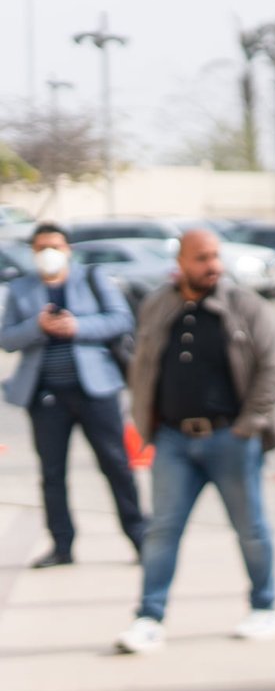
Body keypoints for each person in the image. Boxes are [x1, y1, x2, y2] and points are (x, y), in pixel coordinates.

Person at [112, 229, 275, 654]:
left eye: (215, 256)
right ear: (181, 263)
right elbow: (142, 365)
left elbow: (274, 368)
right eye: (202, 258)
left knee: (250, 529)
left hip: (231, 438)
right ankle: (149, 618)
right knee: (161, 531)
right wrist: (145, 422)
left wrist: (248, 425)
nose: (213, 266)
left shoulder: (244, 304)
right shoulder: (158, 304)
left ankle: (264, 607)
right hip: (173, 441)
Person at [0, 223, 146, 567]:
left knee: (116, 465)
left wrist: (77, 326)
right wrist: (37, 327)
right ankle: (61, 545)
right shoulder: (21, 289)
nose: (48, 253)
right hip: (46, 395)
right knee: (52, 474)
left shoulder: (92, 278)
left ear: (68, 249)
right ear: (32, 252)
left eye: (54, 246)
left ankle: (140, 536)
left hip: (96, 390)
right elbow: (6, 339)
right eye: (40, 248)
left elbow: (121, 319)